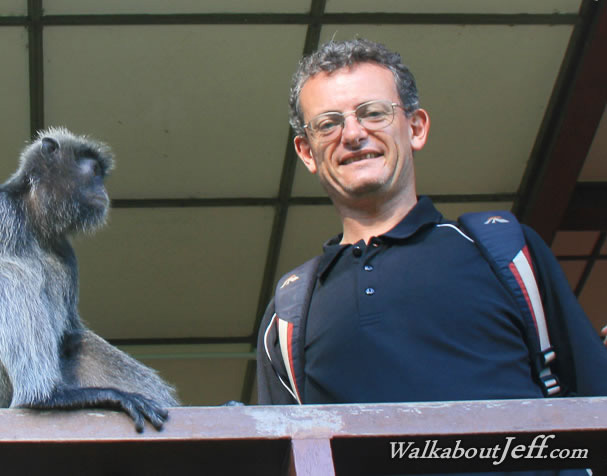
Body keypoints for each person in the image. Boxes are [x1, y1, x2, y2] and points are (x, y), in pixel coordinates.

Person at [257, 38, 607, 407]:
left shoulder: (507, 252)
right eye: (328, 123)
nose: (353, 134)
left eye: (373, 113)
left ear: (416, 128)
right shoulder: (288, 314)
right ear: (307, 153)